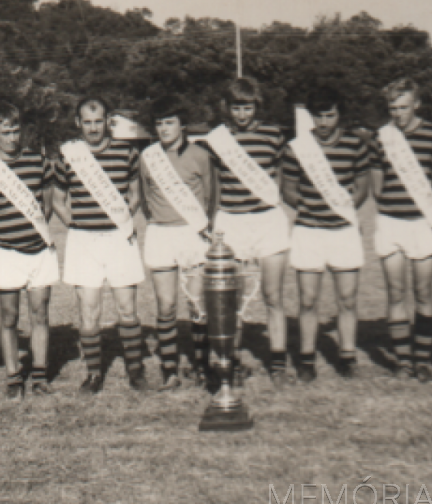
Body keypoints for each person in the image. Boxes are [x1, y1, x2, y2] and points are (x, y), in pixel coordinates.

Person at [53, 97, 148, 394]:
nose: (94, 128)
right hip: (84, 242)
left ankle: (136, 370)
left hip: (119, 239)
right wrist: (78, 224)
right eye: (87, 122)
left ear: (107, 122)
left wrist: (121, 221)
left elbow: (135, 194)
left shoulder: (126, 152)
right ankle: (94, 373)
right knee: (89, 311)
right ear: (78, 123)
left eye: (99, 121)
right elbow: (58, 200)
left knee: (127, 309)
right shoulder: (68, 156)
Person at [0, 102, 59, 400]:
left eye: (16, 130)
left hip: (39, 252)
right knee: (9, 316)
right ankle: (13, 376)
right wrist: (0, 244)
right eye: (5, 132)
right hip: (6, 254)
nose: (12, 137)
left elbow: (45, 206)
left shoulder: (39, 162)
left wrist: (32, 235)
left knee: (40, 313)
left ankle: (41, 374)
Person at [281, 87, 371, 381]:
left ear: (339, 115)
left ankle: (347, 357)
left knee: (347, 298)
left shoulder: (356, 144)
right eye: (317, 115)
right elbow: (289, 190)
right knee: (308, 300)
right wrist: (312, 210)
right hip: (309, 231)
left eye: (329, 115)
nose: (323, 121)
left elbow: (362, 188)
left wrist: (341, 210)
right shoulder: (297, 148)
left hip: (343, 231)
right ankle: (306, 359)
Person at [206, 77, 290, 385]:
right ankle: (233, 360)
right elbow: (214, 183)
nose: (242, 114)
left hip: (268, 220)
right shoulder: (219, 139)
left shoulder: (273, 135)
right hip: (233, 221)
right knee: (233, 297)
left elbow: (278, 178)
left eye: (248, 107)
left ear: (257, 106)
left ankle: (278, 363)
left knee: (273, 294)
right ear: (227, 108)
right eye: (236, 108)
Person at [139, 96, 217, 391]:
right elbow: (145, 199)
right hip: (161, 233)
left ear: (183, 125)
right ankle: (169, 369)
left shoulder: (200, 155)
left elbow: (211, 197)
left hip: (192, 233)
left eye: (170, 122)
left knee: (197, 305)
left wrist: (201, 228)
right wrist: (160, 220)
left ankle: (202, 366)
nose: (164, 128)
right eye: (159, 123)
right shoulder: (148, 156)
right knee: (166, 305)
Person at [371, 77, 432, 381]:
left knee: (424, 291)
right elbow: (377, 185)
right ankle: (403, 360)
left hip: (422, 223)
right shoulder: (382, 137)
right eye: (393, 108)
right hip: (391, 222)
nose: (398, 113)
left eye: (403, 107)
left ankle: (423, 360)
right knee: (396, 291)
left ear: (417, 104)